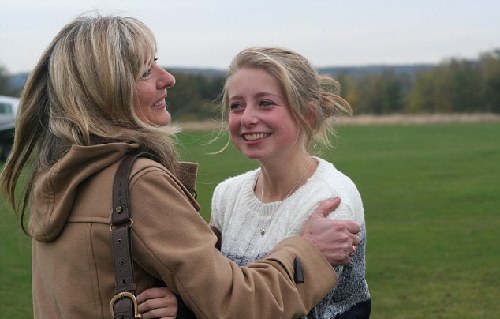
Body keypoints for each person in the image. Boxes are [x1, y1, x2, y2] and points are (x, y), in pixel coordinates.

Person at [0, 15, 361, 319]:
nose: (167, 77)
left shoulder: (62, 176)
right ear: (108, 90)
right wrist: (309, 251)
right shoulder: (135, 183)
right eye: (146, 70)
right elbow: (237, 304)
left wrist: (185, 303)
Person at [209, 47, 371, 318]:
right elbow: (214, 286)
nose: (247, 118)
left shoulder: (328, 202)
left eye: (265, 103)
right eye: (237, 105)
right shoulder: (227, 195)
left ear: (306, 114)